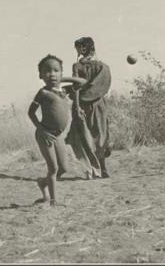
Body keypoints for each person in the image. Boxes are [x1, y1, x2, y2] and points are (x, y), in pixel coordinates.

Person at [28, 54, 87, 206]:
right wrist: (41, 130)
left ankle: (42, 182)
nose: (52, 74)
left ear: (61, 72)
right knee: (53, 168)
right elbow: (31, 113)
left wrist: (62, 78)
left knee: (63, 169)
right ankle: (53, 201)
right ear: (40, 75)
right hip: (45, 134)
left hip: (58, 135)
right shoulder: (43, 93)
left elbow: (83, 82)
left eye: (56, 70)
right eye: (47, 71)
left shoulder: (64, 90)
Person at [65, 37, 112, 179]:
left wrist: (77, 97)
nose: (77, 51)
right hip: (83, 106)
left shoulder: (102, 67)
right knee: (84, 138)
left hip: (96, 106)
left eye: (78, 48)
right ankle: (91, 170)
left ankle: (102, 168)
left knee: (100, 137)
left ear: (84, 48)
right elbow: (77, 87)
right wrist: (77, 102)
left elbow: (98, 87)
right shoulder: (77, 66)